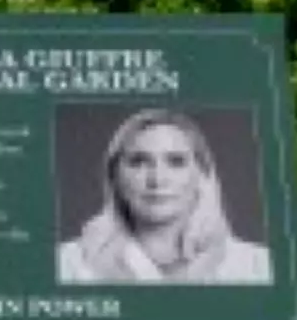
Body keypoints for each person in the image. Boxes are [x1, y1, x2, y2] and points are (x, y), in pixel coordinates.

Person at [57, 108, 274, 286]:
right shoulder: (68, 263)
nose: (158, 180)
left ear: (203, 175)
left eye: (176, 161)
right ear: (114, 176)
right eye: (139, 161)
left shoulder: (259, 265)